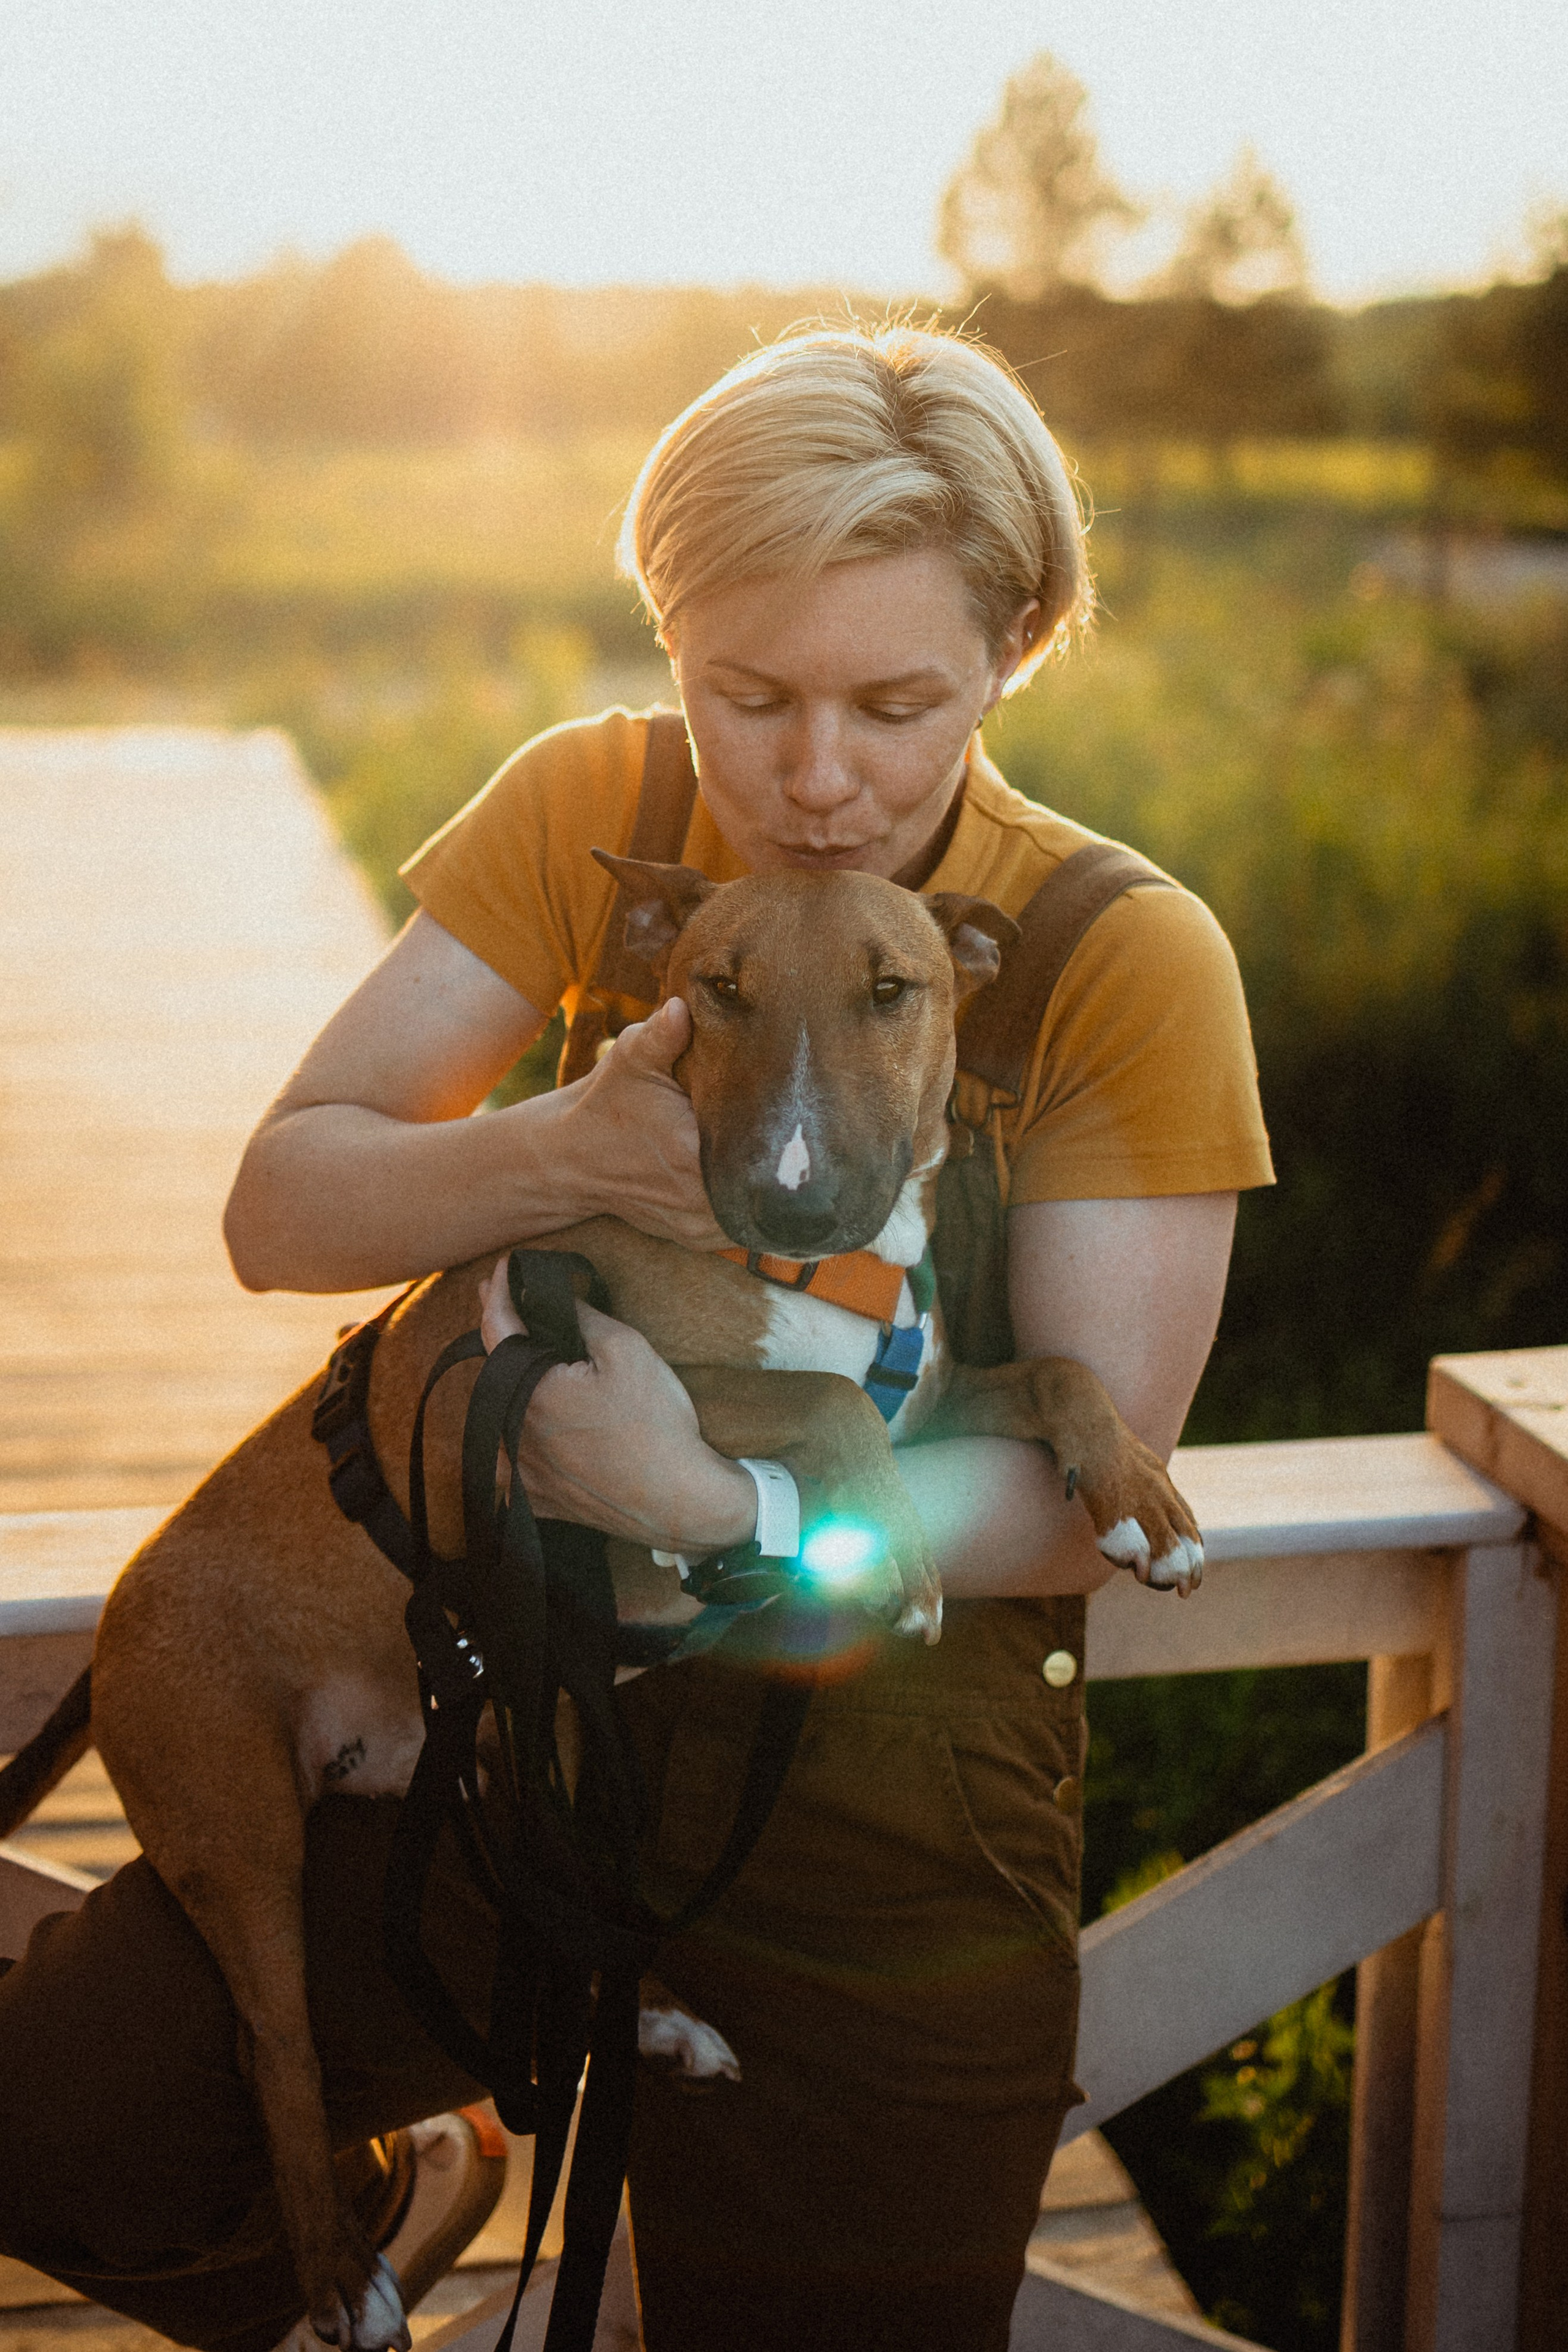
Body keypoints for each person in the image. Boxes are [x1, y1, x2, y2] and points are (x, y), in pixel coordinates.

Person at [0, 325, 1272, 2352]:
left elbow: (1064, 1506)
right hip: (499, 1728)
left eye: (895, 705)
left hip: (889, 1807)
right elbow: (281, 1210)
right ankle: (381, 2213)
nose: (816, 777)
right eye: (746, 695)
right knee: (71, 2122)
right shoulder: (597, 804)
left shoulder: (1116, 955)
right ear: (669, 632)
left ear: (1015, 651)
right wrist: (554, 1154)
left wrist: (711, 1503)